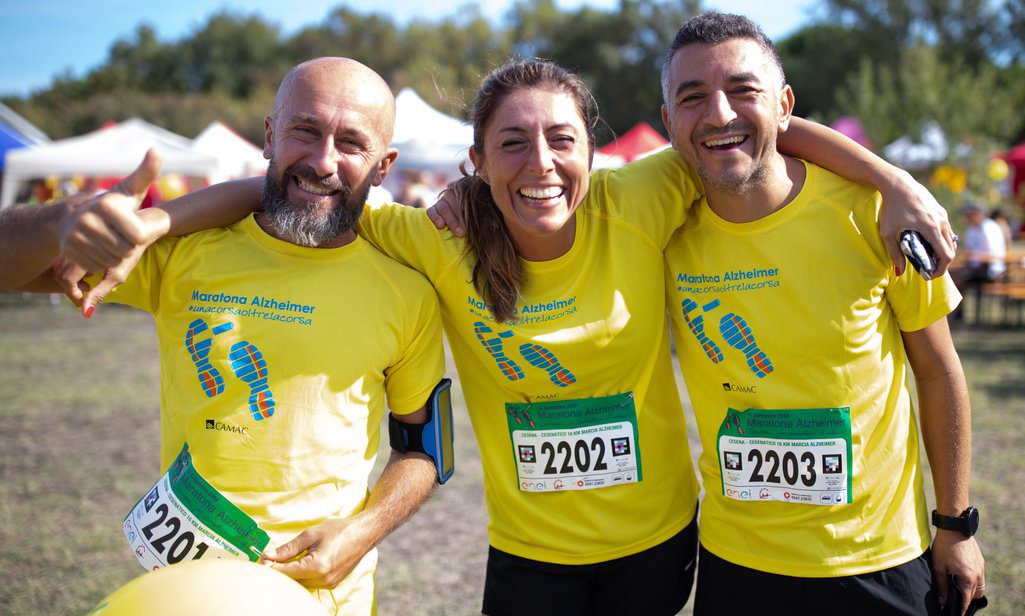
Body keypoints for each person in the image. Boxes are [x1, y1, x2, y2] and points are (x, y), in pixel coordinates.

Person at [57, 60, 954, 615]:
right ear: (474, 163)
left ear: (593, 150)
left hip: (656, 546)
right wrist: (157, 224)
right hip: (529, 559)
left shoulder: (641, 199)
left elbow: (750, 126)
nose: (541, 164)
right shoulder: (432, 238)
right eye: (511, 145)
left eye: (560, 139)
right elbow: (293, 187)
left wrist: (896, 184)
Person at [0, 57, 446, 616]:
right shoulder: (183, 253)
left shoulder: (407, 291)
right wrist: (59, 220)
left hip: (326, 600)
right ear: (268, 136)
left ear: (384, 167)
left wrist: (364, 531)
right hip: (184, 592)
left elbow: (424, 449)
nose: (322, 160)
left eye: (351, 143)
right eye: (304, 131)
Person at [657, 13, 985, 615]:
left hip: (880, 561)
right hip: (738, 564)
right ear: (670, 122)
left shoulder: (874, 215)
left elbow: (938, 372)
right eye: (693, 97)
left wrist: (956, 525)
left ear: (785, 105)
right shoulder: (659, 227)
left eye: (743, 90)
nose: (720, 113)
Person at [953, 202, 1007, 295]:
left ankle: (956, 309)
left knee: (957, 279)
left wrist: (973, 266)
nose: (967, 217)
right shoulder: (972, 228)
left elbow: (991, 255)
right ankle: (957, 309)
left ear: (978, 214)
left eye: (970, 214)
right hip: (977, 268)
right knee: (952, 275)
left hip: (990, 270)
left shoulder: (989, 228)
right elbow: (969, 250)